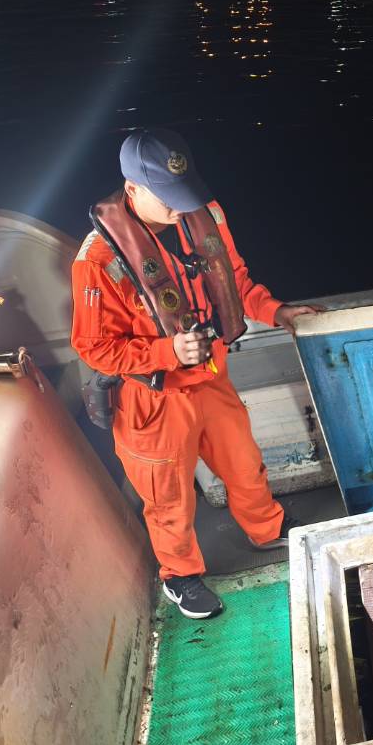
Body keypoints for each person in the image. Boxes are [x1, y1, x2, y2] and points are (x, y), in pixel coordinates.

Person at [71, 128, 319, 619]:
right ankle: (179, 575)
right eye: (166, 198)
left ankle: (267, 529)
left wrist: (276, 311)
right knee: (168, 496)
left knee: (244, 463)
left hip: (210, 375)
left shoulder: (204, 214)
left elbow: (234, 281)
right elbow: (95, 349)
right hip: (154, 399)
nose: (180, 208)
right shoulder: (97, 262)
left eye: (184, 194)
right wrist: (167, 351)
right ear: (132, 189)